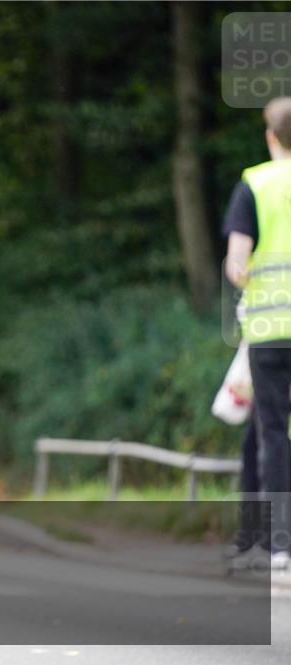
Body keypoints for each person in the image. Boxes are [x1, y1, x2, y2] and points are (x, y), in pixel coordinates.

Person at [224, 96, 291, 570]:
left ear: (271, 136)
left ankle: (280, 543)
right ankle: (252, 536)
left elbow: (237, 265)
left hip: (269, 330)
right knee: (263, 435)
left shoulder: (255, 184)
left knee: (272, 432)